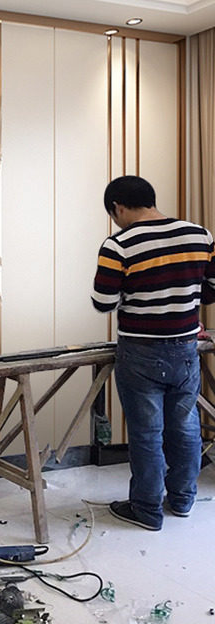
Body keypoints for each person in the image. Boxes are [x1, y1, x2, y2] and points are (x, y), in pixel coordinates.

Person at [91, 175, 215, 530]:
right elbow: (211, 288)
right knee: (185, 427)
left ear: (117, 207)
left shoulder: (118, 245)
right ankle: (183, 500)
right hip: (186, 348)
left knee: (147, 433)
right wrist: (187, 296)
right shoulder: (199, 234)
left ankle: (146, 510)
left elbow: (103, 302)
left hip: (140, 351)